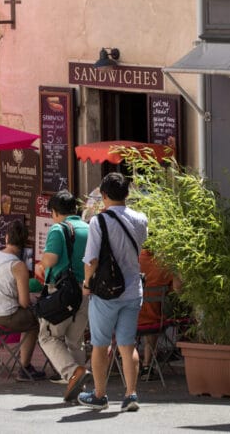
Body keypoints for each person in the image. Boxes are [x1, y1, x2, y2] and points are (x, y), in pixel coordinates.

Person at [77, 172, 148, 412]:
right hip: (132, 290)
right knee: (127, 345)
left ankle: (99, 395)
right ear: (127, 194)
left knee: (100, 344)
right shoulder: (141, 219)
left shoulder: (99, 221)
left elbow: (92, 260)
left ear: (104, 195)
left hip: (106, 292)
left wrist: (87, 283)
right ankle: (131, 394)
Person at [0, 218, 46, 381]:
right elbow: (24, 303)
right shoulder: (17, 265)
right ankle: (25, 368)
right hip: (0, 318)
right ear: (25, 243)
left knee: (25, 317)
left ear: (6, 238)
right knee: (34, 322)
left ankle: (24, 366)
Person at [35, 190, 90, 401]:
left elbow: (51, 257)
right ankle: (81, 391)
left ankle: (72, 373)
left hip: (63, 291)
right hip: (85, 289)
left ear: (55, 212)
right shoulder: (88, 228)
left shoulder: (58, 229)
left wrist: (41, 265)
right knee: (75, 340)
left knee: (48, 336)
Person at [138, 248, 181, 378]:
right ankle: (147, 366)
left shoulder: (130, 260)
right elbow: (178, 290)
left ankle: (124, 362)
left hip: (127, 321)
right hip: (153, 322)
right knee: (152, 318)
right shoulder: (163, 265)